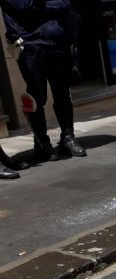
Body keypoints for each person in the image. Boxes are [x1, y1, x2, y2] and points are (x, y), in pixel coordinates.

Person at [1, 0, 87, 168]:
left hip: (58, 42)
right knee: (36, 96)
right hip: (29, 44)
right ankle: (41, 144)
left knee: (62, 93)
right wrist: (44, 7)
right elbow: (22, 6)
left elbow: (64, 4)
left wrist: (39, 8)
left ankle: (68, 138)